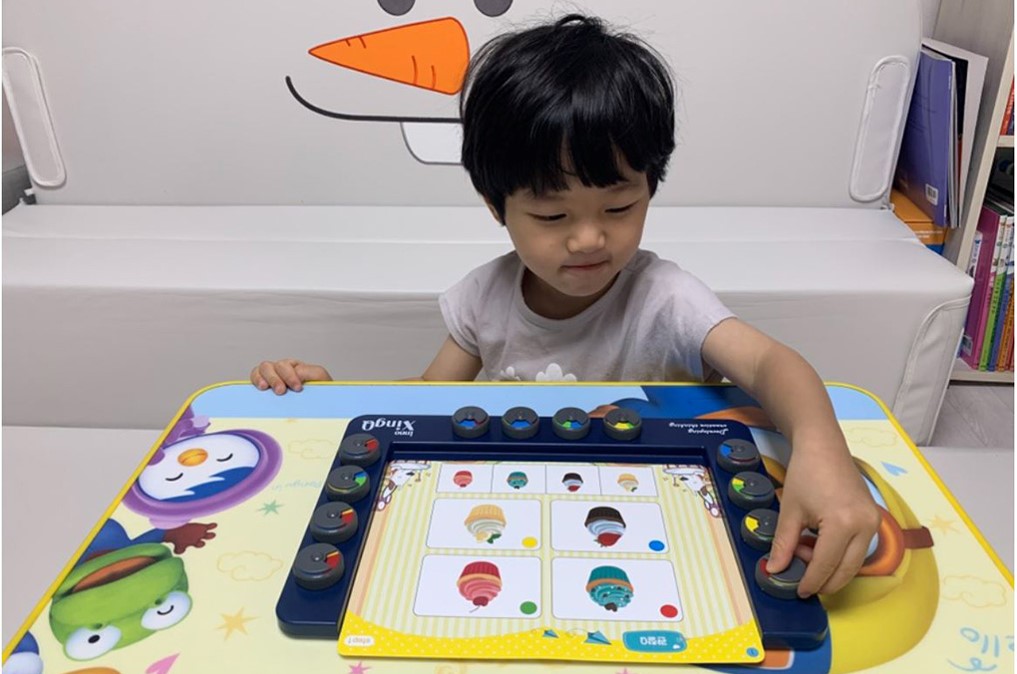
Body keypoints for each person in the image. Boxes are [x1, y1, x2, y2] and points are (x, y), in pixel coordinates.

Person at [251, 14, 880, 598]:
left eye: (618, 207)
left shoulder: (665, 297)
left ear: (651, 187)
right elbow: (428, 398)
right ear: (496, 206)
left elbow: (772, 365)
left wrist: (820, 451)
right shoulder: (483, 296)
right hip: (513, 515)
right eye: (552, 216)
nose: (588, 239)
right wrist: (336, 397)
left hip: (658, 523)